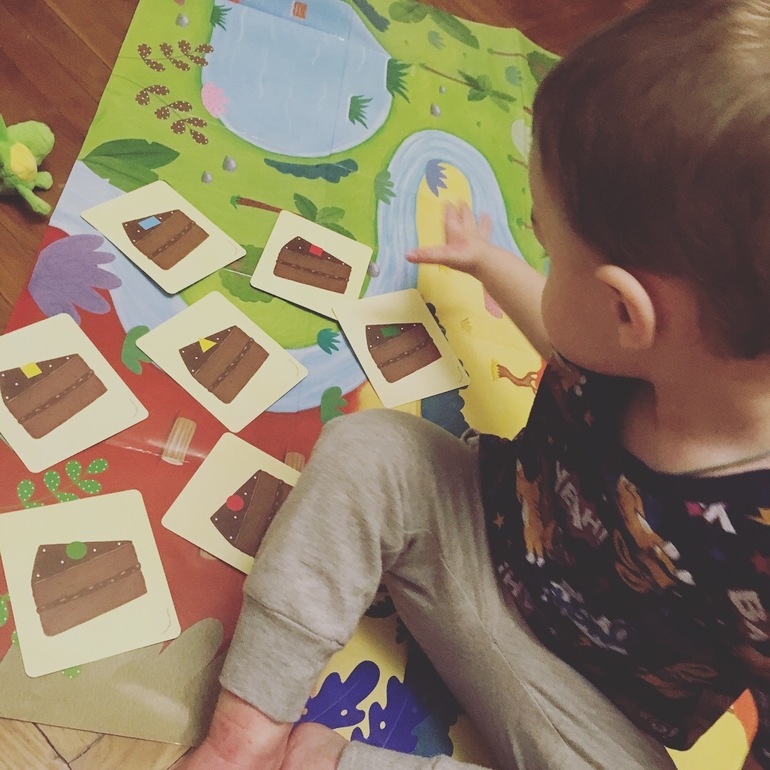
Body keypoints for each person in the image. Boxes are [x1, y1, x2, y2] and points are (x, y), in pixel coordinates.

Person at [179, 0, 770, 767]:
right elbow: (570, 337)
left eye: (548, 248)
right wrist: (492, 262)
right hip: (476, 540)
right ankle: (245, 736)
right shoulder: (660, 349)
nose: (539, 259)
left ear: (627, 312)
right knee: (374, 448)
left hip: (583, 709)